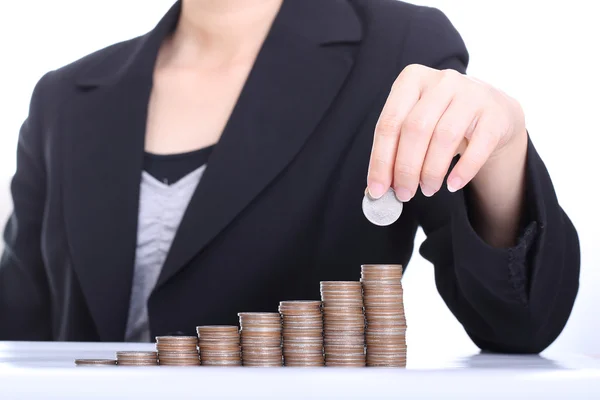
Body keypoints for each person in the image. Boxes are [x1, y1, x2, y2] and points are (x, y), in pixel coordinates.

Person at [0, 0, 579, 353]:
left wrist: (502, 152)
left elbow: (521, 325)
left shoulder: (399, 49)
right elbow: (20, 328)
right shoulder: (64, 99)